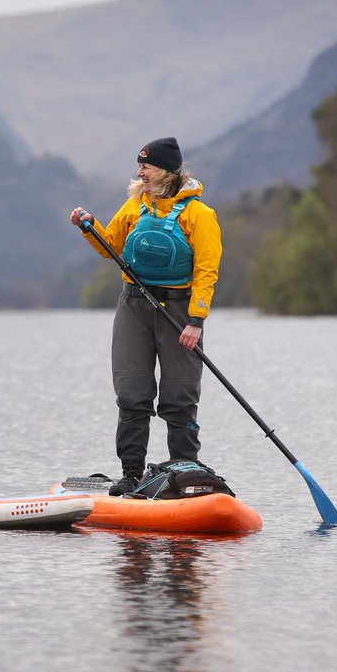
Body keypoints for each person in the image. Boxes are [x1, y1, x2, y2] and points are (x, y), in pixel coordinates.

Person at [70, 137, 223, 496]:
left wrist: (195, 321)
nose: (140, 172)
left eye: (146, 166)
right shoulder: (135, 205)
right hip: (134, 307)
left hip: (179, 310)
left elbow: (207, 270)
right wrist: (88, 227)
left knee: (179, 395)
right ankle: (132, 472)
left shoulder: (199, 215)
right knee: (132, 393)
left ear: (167, 172)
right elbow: (112, 248)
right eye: (139, 166)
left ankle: (185, 471)